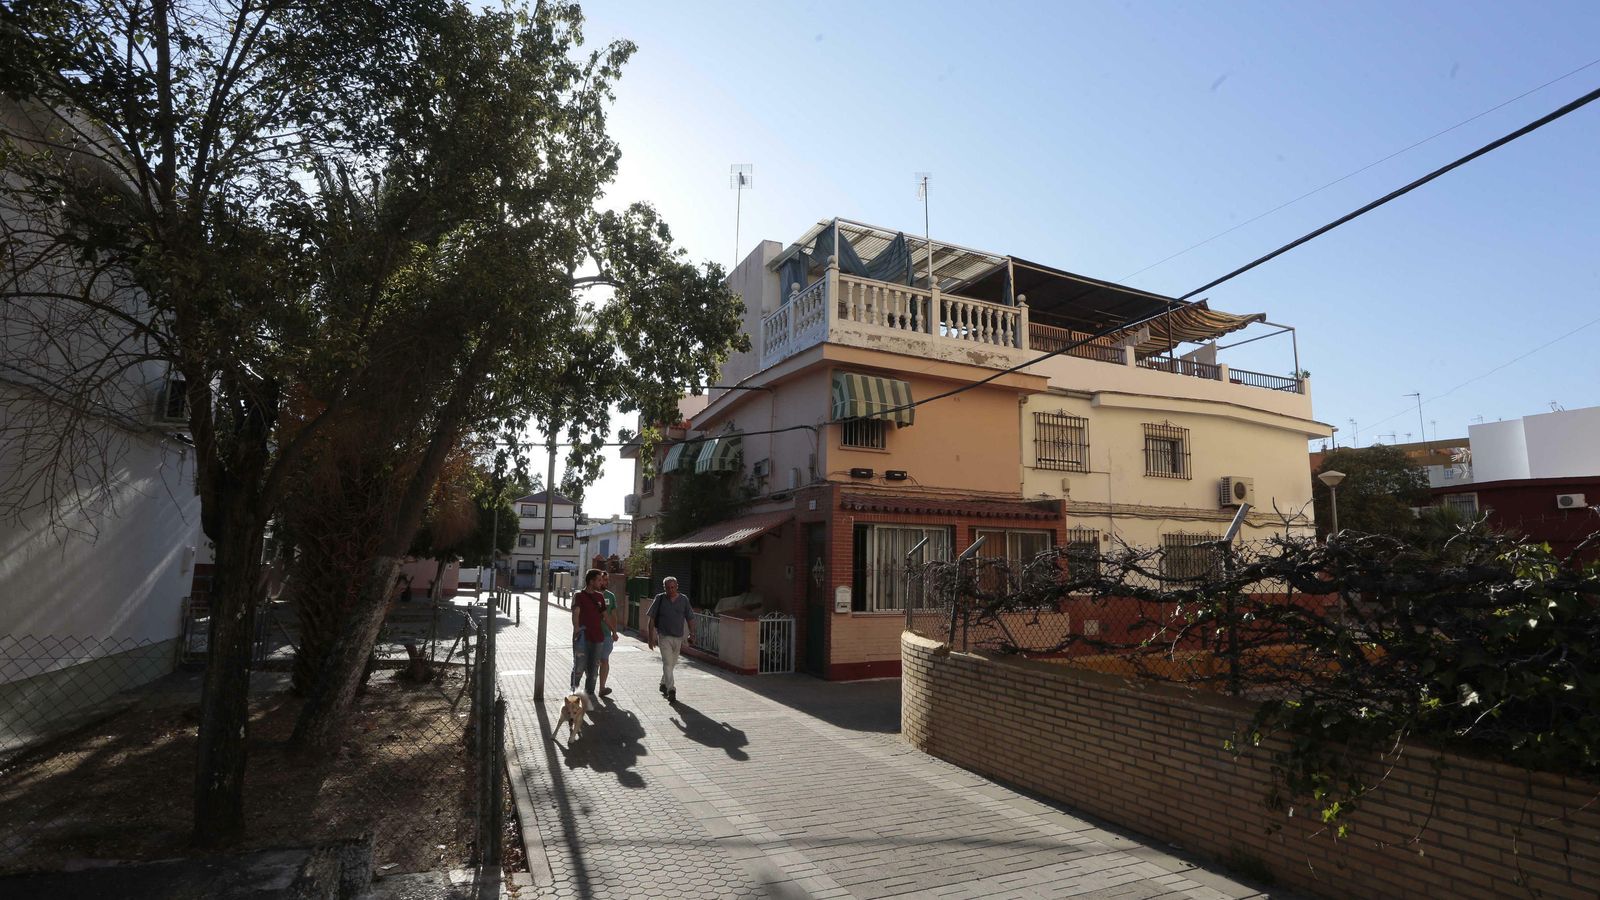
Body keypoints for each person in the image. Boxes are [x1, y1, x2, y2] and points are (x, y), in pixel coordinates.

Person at [644, 576, 694, 703]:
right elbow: (651, 619)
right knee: (667, 662)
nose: (670, 590)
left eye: (673, 587)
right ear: (664, 588)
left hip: (678, 637)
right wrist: (650, 638)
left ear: (677, 586)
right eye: (668, 588)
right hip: (664, 636)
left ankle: (663, 683)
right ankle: (671, 689)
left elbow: (690, 617)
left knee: (671, 664)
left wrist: (692, 633)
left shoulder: (683, 600)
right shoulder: (659, 598)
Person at [569, 569, 607, 699]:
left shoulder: (600, 596)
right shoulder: (579, 595)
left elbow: (605, 615)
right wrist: (576, 629)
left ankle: (589, 695)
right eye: (599, 580)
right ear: (591, 581)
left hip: (598, 638)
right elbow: (576, 613)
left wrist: (613, 631)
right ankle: (574, 694)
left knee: (594, 669)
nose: (601, 582)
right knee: (579, 666)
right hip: (582, 638)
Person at [595, 571, 619, 698]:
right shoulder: (591, 595)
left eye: (606, 580)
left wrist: (614, 632)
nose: (605, 582)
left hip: (606, 635)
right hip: (592, 635)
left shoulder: (611, 596)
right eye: (603, 579)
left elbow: (614, 615)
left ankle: (602, 687)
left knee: (604, 660)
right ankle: (590, 687)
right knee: (594, 662)